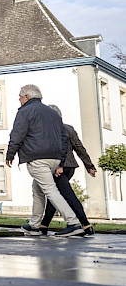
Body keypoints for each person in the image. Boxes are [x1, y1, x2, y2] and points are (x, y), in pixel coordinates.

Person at [7, 84, 84, 237]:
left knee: (50, 190)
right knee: (38, 190)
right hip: (54, 158)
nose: (19, 100)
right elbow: (63, 138)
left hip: (37, 158)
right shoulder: (53, 113)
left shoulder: (25, 111)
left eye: (20, 97)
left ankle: (73, 223)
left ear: (26, 97)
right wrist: (60, 160)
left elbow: (17, 134)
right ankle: (34, 225)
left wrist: (10, 154)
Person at [39, 105, 97, 236]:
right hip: (70, 167)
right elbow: (79, 148)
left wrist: (57, 166)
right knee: (55, 194)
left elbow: (56, 149)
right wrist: (90, 166)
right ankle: (44, 225)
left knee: (67, 195)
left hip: (59, 167)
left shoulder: (51, 130)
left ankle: (85, 224)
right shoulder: (69, 128)